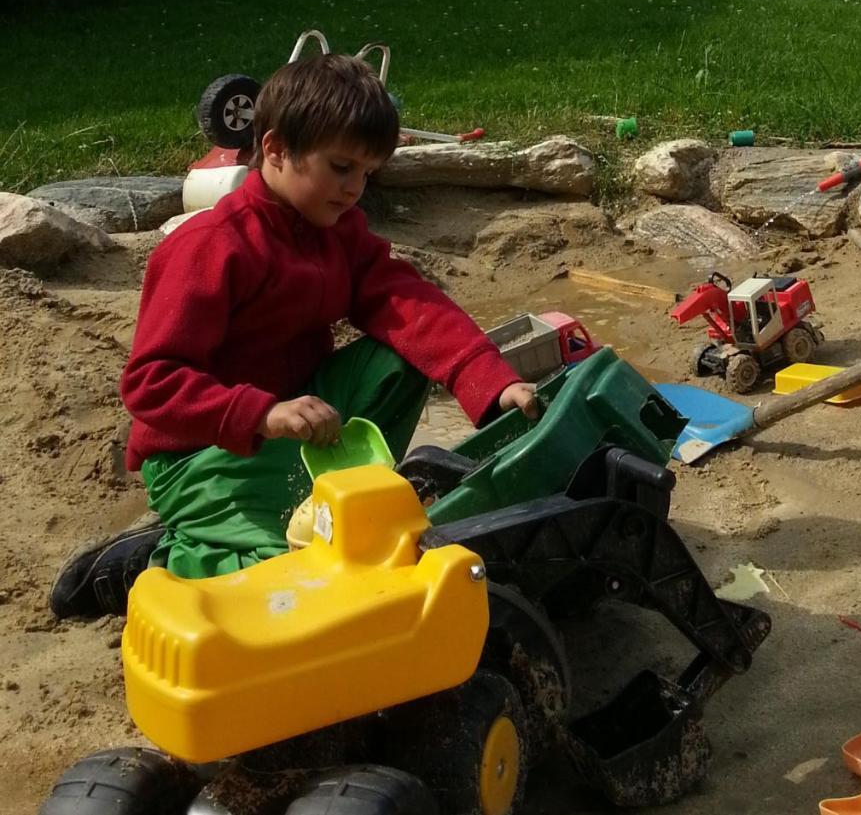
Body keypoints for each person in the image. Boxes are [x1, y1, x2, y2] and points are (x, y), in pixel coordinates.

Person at [49, 52, 536, 618]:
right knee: (288, 572)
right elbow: (151, 385)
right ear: (276, 149)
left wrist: (488, 379)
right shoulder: (210, 247)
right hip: (202, 453)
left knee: (404, 354)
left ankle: (339, 496)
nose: (356, 188)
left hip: (298, 424)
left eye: (367, 173)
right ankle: (158, 556)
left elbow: (404, 301)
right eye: (340, 167)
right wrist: (262, 413)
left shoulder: (335, 229)